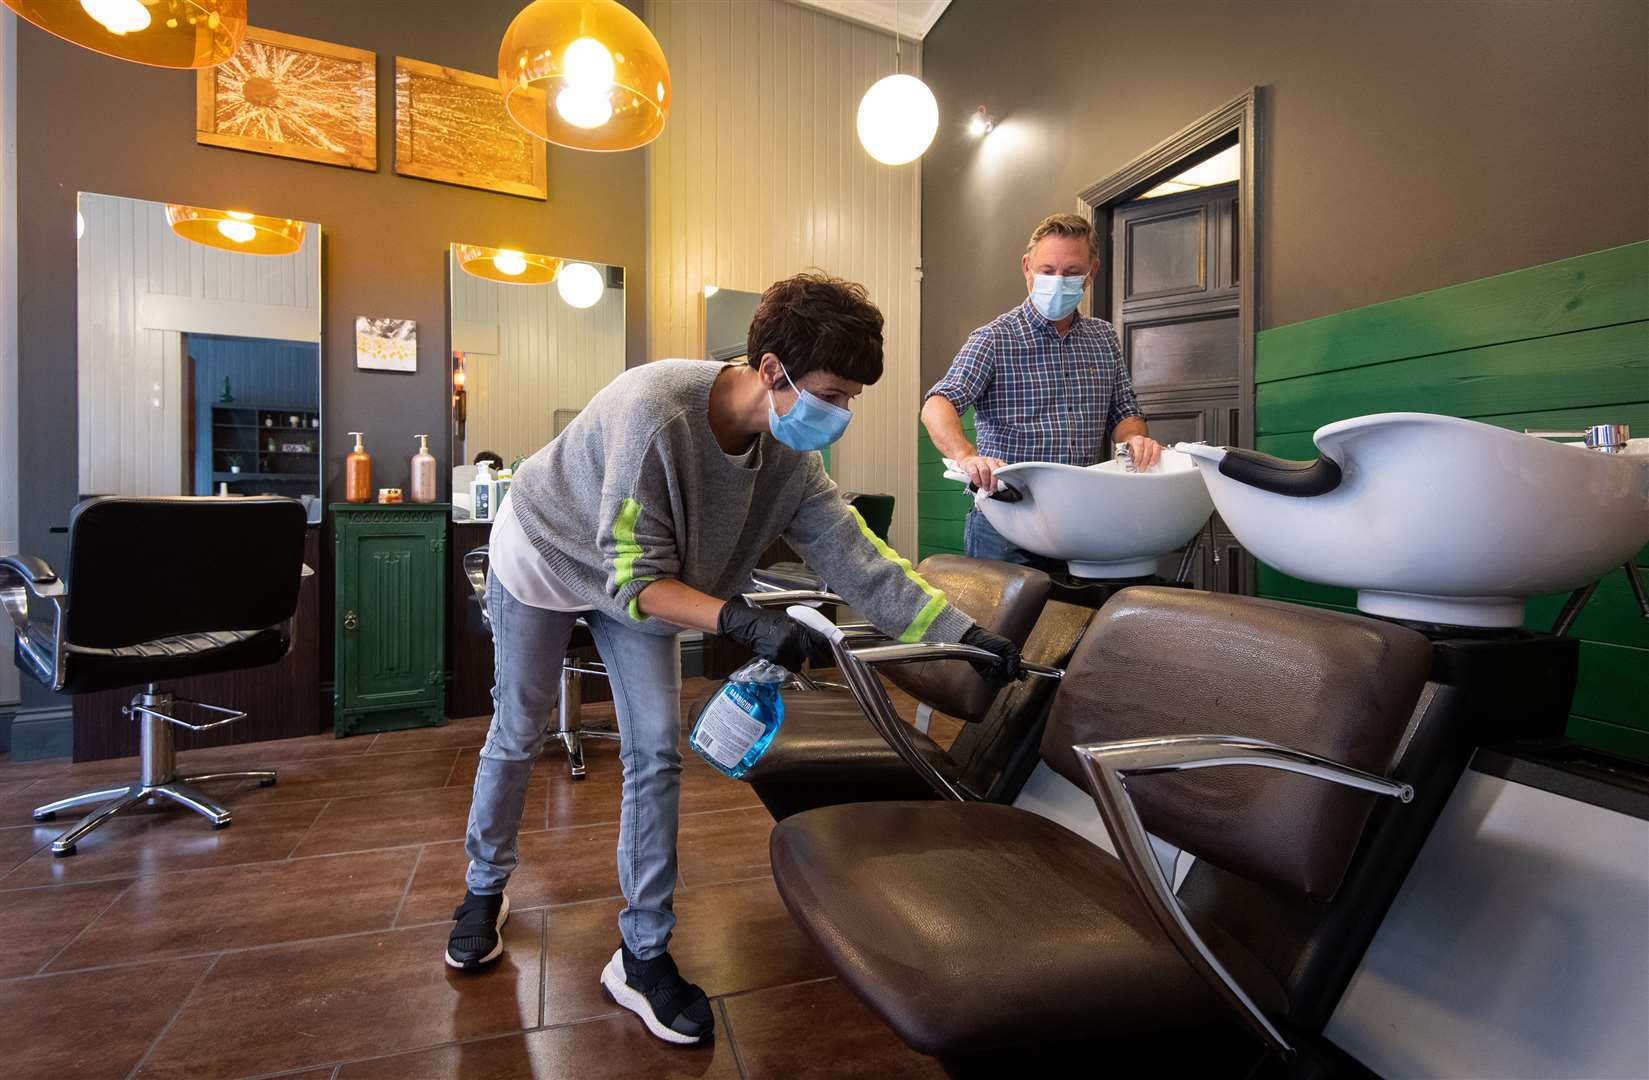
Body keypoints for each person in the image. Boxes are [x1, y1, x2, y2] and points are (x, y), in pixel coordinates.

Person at [447, 272, 1021, 1047]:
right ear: (772, 369)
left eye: (852, 397)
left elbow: (857, 559)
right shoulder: (654, 415)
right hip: (546, 551)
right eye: (833, 392)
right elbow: (633, 578)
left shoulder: (789, 458)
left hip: (645, 577)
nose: (841, 412)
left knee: (653, 752)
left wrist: (964, 633)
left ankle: (642, 955)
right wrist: (737, 622)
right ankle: (483, 889)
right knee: (517, 730)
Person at [920, 212, 1162, 571]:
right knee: (1005, 628)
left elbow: (1124, 411)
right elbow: (938, 404)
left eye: (1071, 272)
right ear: (1027, 269)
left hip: (1080, 522)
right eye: (1047, 270)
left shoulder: (1103, 339)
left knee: (1076, 623)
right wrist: (966, 455)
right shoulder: (994, 339)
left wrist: (1136, 440)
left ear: (1091, 273)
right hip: (1005, 522)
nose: (1058, 281)